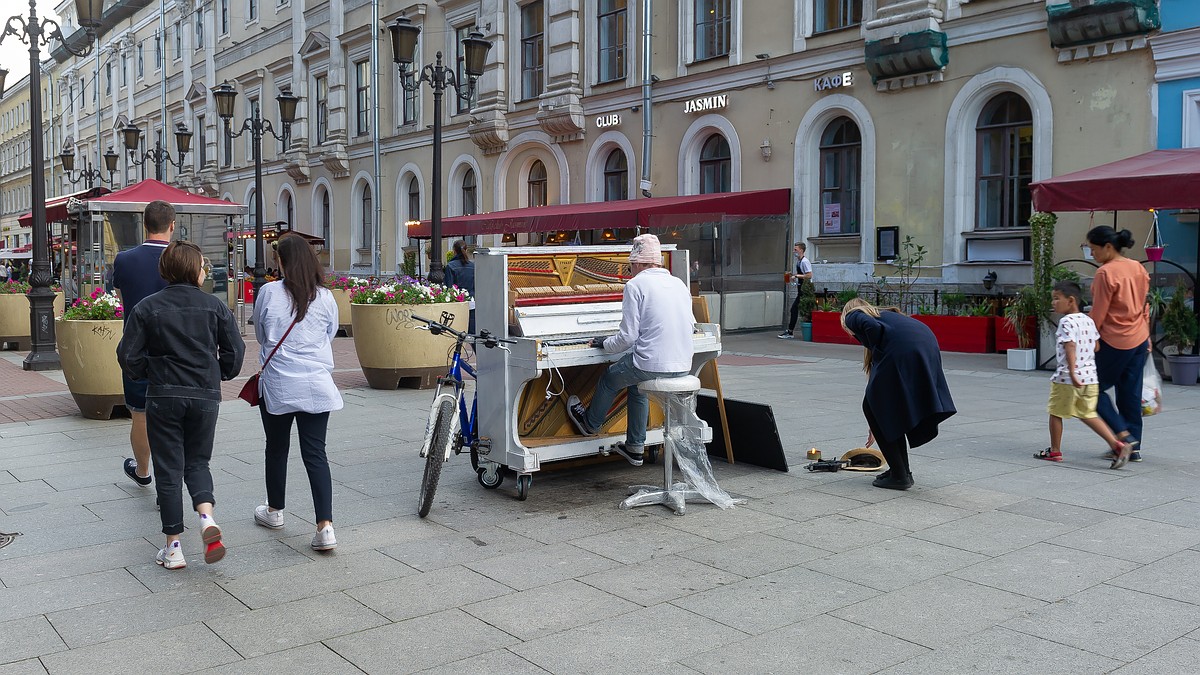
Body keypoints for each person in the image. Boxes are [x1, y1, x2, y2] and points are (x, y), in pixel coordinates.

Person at [117, 241, 245, 569]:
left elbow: (127, 354)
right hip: (204, 394)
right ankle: (206, 518)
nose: (204, 271)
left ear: (166, 270)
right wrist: (220, 372)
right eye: (203, 266)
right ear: (196, 271)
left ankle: (173, 547)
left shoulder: (147, 307)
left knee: (169, 469)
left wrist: (150, 371)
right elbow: (235, 352)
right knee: (198, 463)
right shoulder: (215, 307)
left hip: (163, 394)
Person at [565, 234, 694, 466]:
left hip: (653, 364)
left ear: (636, 263)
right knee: (636, 387)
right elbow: (690, 325)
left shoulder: (635, 285)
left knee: (609, 377)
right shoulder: (679, 284)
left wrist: (604, 343)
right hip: (683, 363)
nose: (629, 270)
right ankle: (635, 446)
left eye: (629, 265)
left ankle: (589, 425)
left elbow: (627, 337)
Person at [252, 233, 343, 551]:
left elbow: (261, 335)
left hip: (278, 384)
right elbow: (330, 334)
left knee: (276, 448)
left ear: (281, 262)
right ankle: (325, 527)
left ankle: (274, 510)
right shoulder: (326, 297)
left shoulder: (267, 292)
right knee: (316, 453)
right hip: (316, 384)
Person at [840, 298, 956, 489]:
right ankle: (900, 471)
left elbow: (870, 328)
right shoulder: (888, 317)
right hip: (925, 346)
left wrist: (869, 342)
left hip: (907, 350)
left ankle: (900, 475)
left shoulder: (854, 314)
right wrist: (875, 422)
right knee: (881, 407)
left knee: (870, 405)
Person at [1038, 281, 1136, 467]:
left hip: (1067, 377)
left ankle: (1055, 451)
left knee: (1055, 412)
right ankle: (1117, 445)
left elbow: (1070, 346)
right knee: (1088, 413)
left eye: (1057, 298)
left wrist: (1073, 371)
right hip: (1091, 377)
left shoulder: (1066, 321)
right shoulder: (1088, 320)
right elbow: (1097, 346)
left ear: (1071, 300)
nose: (1053, 303)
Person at [112, 200, 173, 490]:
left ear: (144, 224)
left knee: (140, 413)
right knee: (173, 413)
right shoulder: (183, 258)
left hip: (136, 348)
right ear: (172, 225)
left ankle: (143, 470)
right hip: (176, 348)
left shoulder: (124, 260)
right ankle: (169, 477)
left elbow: (122, 290)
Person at [1085, 226, 1150, 462]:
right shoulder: (1138, 267)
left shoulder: (1105, 272)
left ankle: (1123, 438)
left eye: (1093, 249)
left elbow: (1099, 313)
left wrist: (1088, 340)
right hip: (1139, 338)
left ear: (1108, 247)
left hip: (1115, 339)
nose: (1092, 254)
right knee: (1129, 394)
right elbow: (1145, 306)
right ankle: (1135, 447)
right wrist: (1148, 337)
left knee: (1091, 389)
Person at [778, 242, 813, 339]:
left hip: (805, 290)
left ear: (801, 250)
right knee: (800, 310)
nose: (794, 252)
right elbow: (802, 274)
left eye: (796, 250)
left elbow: (809, 275)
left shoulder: (805, 261)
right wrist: (793, 275)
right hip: (801, 288)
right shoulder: (799, 261)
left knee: (794, 309)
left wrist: (797, 276)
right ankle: (790, 331)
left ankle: (790, 332)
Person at [443, 240, 477, 333]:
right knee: (473, 335)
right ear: (466, 250)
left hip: (457, 304)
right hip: (472, 303)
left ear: (454, 250)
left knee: (456, 335)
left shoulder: (450, 266)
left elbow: (449, 288)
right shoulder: (473, 266)